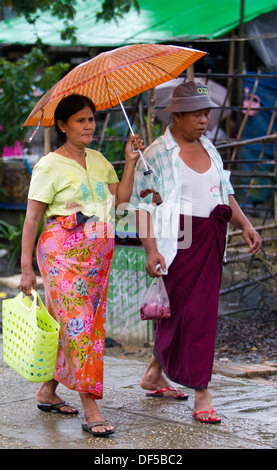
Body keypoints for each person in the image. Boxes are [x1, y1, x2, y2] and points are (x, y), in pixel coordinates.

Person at [130, 81, 261, 424]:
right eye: (196, 114)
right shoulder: (157, 153)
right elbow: (141, 206)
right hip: (179, 240)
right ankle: (202, 393)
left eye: (206, 113)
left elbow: (225, 191)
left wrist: (246, 224)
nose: (204, 120)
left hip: (212, 236)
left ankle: (154, 375)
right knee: (189, 315)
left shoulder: (210, 148)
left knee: (194, 313)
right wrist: (150, 249)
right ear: (178, 114)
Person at [20, 94, 145, 437]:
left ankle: (48, 391)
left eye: (92, 119)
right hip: (61, 254)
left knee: (81, 328)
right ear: (62, 125)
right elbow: (32, 218)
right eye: (81, 120)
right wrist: (26, 267)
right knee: (79, 324)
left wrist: (130, 161)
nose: (89, 126)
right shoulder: (49, 165)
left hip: (97, 258)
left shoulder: (100, 160)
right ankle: (91, 407)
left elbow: (120, 202)